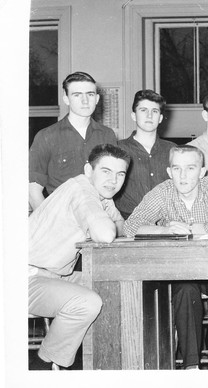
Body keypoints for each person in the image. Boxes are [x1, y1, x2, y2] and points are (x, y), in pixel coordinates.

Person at [124, 145, 208, 370]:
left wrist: (196, 228)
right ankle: (191, 366)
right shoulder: (162, 192)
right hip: (178, 271)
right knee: (185, 292)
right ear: (169, 172)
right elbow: (131, 226)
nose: (183, 175)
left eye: (190, 168)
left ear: (202, 172)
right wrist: (165, 229)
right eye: (177, 169)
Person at [29, 144, 130, 370]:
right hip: (24, 276)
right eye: (106, 171)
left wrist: (110, 224)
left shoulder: (101, 194)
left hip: (53, 274)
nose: (113, 180)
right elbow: (106, 234)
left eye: (120, 174)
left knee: (112, 287)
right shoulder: (81, 190)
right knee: (87, 302)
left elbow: (122, 227)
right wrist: (106, 226)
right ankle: (42, 364)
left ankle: (96, 361)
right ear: (88, 170)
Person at [29, 71, 117, 211]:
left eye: (90, 94)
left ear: (97, 99)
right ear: (66, 99)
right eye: (77, 95)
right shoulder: (46, 136)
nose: (85, 101)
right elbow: (33, 190)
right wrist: (51, 220)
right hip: (61, 214)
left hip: (99, 215)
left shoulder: (107, 135)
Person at [115, 89, 176, 219]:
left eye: (154, 111)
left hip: (166, 223)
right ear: (133, 115)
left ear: (160, 118)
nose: (149, 116)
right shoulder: (118, 149)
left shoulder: (172, 150)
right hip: (129, 222)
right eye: (143, 110)